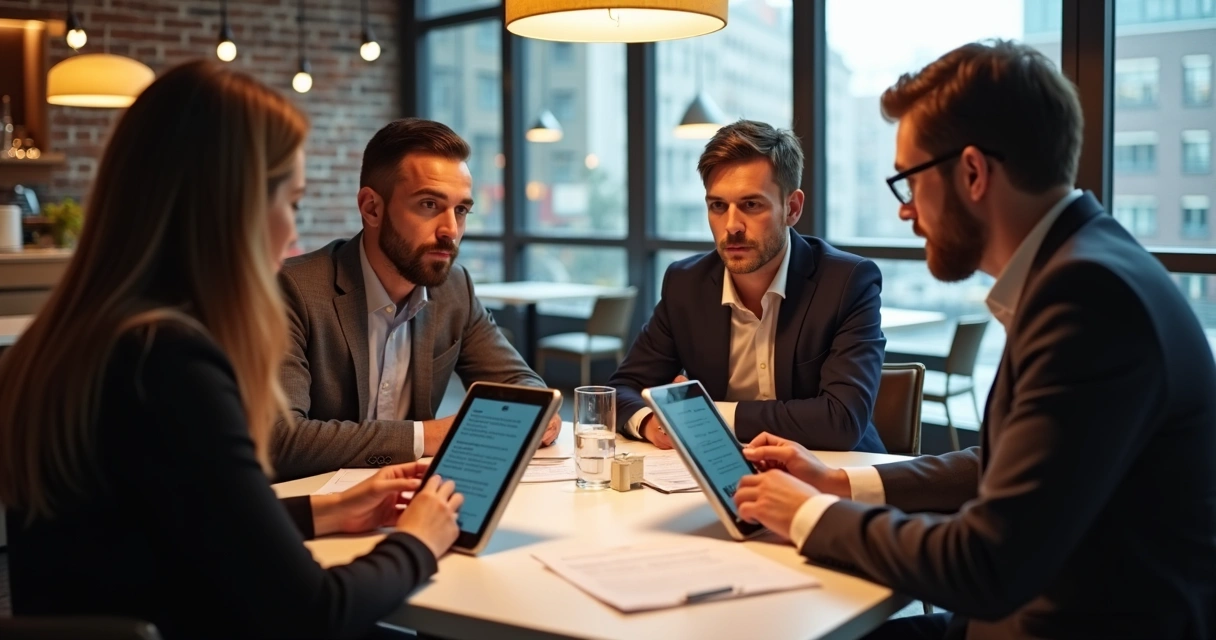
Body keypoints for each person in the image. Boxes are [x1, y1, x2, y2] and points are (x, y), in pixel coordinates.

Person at [733, 40, 1216, 639]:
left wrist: (810, 514)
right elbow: (1006, 465)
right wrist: (844, 483)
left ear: (972, 172)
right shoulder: (1089, 263)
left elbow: (986, 563)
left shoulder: (1086, 297)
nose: (906, 214)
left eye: (908, 183)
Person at [0, 61, 464, 639]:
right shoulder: (168, 365)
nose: (294, 239)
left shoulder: (78, 341)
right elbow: (312, 611)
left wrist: (328, 510)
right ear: (233, 208)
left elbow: (179, 526)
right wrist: (420, 540)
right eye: (290, 204)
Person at [274, 118, 560, 480]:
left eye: (461, 210)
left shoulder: (454, 288)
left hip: (413, 498)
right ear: (371, 208)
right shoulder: (293, 290)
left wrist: (537, 411)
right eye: (429, 204)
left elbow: (520, 384)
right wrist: (428, 435)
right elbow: (282, 439)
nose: (450, 231)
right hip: (312, 509)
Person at [608, 120, 887, 453]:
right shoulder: (686, 284)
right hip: (725, 471)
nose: (732, 226)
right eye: (718, 206)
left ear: (792, 208)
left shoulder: (847, 282)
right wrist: (650, 422)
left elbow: (841, 421)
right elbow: (623, 389)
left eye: (751, 205)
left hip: (834, 475)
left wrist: (704, 414)